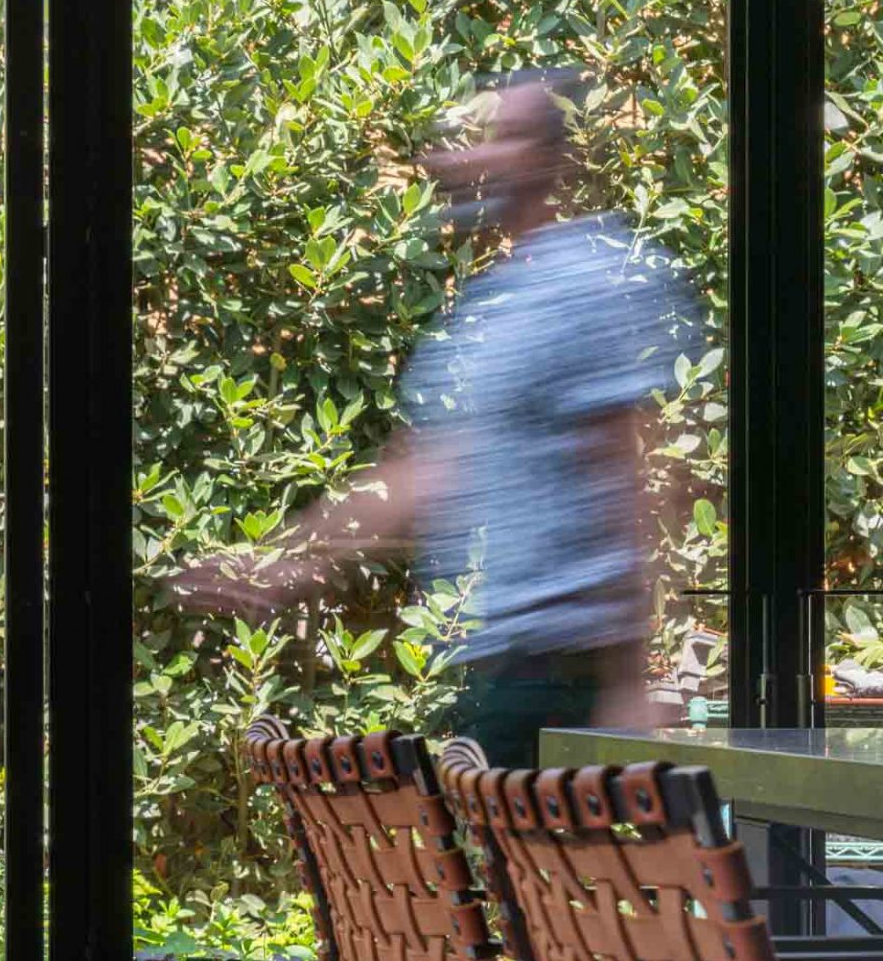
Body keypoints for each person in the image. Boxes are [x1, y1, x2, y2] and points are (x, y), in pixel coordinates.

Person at [176, 70, 698, 766]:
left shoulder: (590, 281)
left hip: (567, 668)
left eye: (499, 139)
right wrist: (279, 564)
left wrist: (628, 682)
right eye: (467, 142)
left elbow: (628, 475)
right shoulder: (491, 303)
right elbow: (422, 473)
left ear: (551, 158)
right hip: (497, 661)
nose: (469, 159)